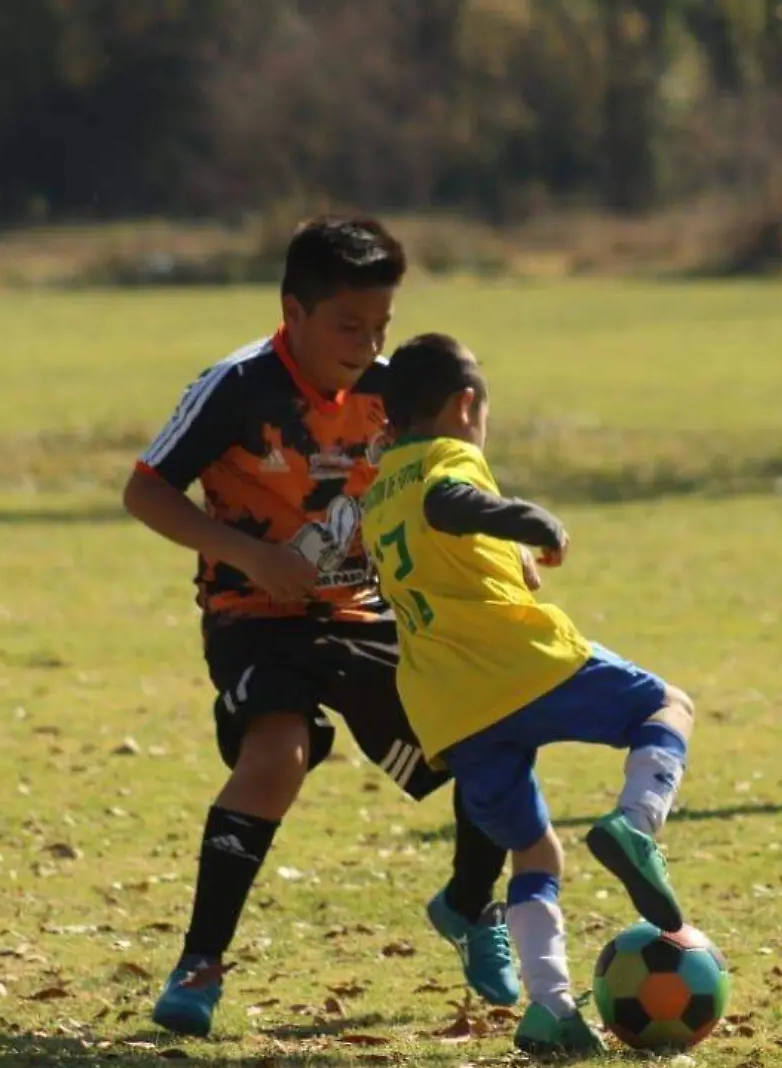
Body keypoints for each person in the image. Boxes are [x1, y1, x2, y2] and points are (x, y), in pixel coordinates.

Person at [121, 218, 514, 1037]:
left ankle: (472, 906)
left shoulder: (392, 389)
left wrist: (500, 543)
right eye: (349, 326)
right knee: (276, 760)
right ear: (292, 310)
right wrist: (244, 554)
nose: (368, 344)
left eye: (382, 328)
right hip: (254, 617)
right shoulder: (236, 386)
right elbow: (146, 492)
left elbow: (445, 474)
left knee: (488, 740)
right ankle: (199, 963)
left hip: (368, 612)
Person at [359, 333, 696, 1057]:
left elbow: (438, 551)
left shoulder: (376, 491)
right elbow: (452, 503)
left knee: (536, 853)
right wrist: (527, 521)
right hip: (521, 665)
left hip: (448, 710)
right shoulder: (449, 458)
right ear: (466, 405)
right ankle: (638, 823)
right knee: (665, 706)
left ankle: (550, 1012)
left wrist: (505, 558)